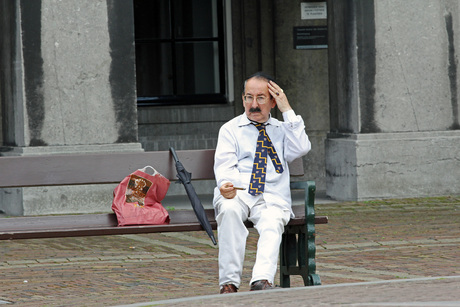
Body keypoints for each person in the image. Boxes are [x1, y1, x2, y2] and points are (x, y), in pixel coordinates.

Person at [213, 72, 311, 294]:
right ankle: (229, 283)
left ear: (273, 101)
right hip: (238, 193)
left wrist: (287, 110)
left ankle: (261, 280)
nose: (253, 105)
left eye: (260, 98)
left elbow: (302, 148)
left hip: (271, 195)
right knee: (228, 211)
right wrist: (227, 185)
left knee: (272, 220)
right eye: (248, 97)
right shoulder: (230, 129)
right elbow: (224, 166)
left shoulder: (282, 130)